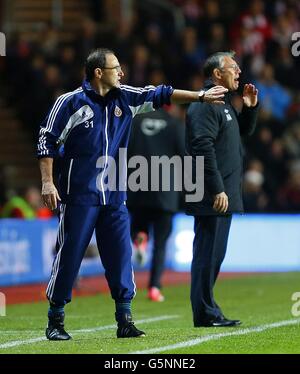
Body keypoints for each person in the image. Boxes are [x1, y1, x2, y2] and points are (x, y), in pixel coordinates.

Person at [37, 48, 227, 340]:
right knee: (70, 255)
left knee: (121, 257)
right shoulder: (69, 103)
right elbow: (47, 141)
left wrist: (200, 97)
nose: (122, 73)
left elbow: (163, 94)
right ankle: (55, 320)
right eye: (116, 68)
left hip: (115, 196)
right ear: (99, 72)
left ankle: (124, 320)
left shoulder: (125, 97)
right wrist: (48, 183)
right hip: (79, 196)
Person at [185, 51, 258, 327]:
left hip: (220, 193)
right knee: (207, 254)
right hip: (211, 194)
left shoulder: (223, 103)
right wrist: (217, 189)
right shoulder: (205, 104)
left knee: (214, 255)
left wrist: (249, 108)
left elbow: (241, 134)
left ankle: (208, 309)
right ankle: (205, 313)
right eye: (233, 68)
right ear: (217, 74)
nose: (239, 72)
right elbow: (202, 147)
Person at [127, 107, 185, 302]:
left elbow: (125, 149)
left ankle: (139, 237)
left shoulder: (136, 121)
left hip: (137, 184)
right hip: (165, 191)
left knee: (138, 223)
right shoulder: (175, 123)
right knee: (160, 244)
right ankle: (154, 288)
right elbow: (184, 154)